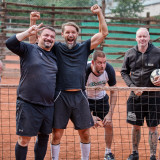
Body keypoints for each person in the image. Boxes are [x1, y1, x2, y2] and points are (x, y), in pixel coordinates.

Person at [30, 4, 108, 160]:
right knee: (57, 133)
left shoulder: (84, 47)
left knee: (85, 132)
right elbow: (34, 43)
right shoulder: (56, 47)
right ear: (63, 34)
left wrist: (99, 13)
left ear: (77, 34)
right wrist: (32, 22)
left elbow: (103, 32)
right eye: (67, 32)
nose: (70, 35)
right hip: (60, 96)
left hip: (80, 96)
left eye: (73, 32)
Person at [5, 24, 58, 160]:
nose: (49, 38)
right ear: (39, 36)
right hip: (28, 104)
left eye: (52, 36)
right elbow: (10, 43)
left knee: (43, 137)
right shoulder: (29, 49)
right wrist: (28, 32)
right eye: (46, 35)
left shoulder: (55, 56)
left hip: (48, 106)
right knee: (24, 140)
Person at [121, 27, 160, 160]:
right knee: (136, 126)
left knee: (153, 127)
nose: (142, 39)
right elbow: (124, 72)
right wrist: (132, 87)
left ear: (149, 38)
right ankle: (134, 153)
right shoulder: (130, 53)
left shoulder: (157, 52)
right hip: (135, 97)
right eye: (140, 36)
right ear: (136, 38)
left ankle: (153, 155)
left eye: (145, 36)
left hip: (154, 97)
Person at [85, 50, 117, 160]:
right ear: (93, 63)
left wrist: (110, 114)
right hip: (86, 99)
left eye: (104, 62)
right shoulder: (84, 70)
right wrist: (89, 116)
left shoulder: (109, 69)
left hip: (101, 99)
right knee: (84, 127)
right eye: (99, 63)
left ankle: (108, 152)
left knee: (109, 125)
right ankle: (85, 155)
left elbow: (114, 91)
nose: (103, 65)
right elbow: (79, 95)